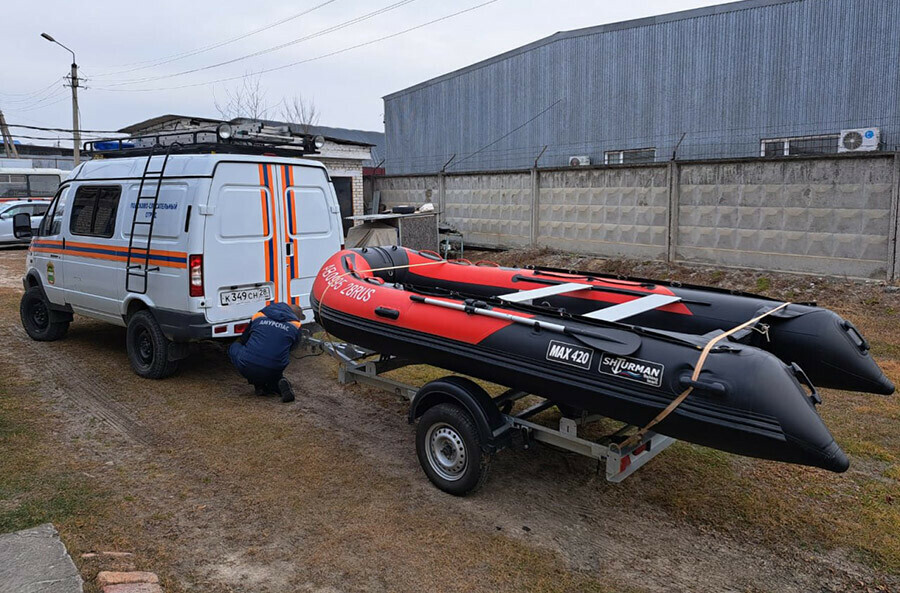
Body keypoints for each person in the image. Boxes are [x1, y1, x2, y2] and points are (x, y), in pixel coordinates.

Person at [228, 302, 303, 402]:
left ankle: (260, 386)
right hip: (275, 367)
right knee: (272, 364)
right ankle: (277, 383)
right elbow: (292, 348)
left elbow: (245, 338)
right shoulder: (295, 326)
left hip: (248, 364)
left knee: (234, 347)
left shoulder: (259, 316)